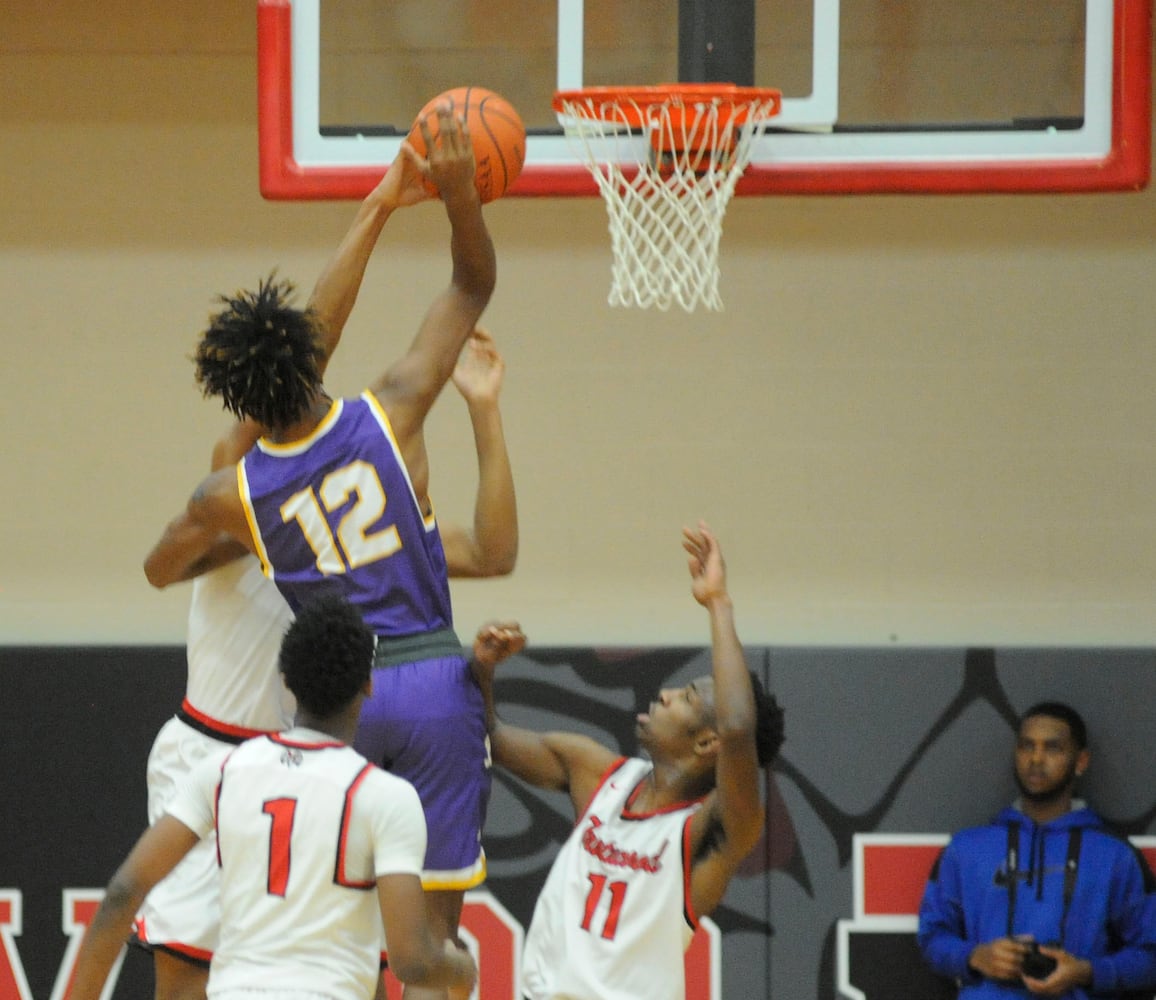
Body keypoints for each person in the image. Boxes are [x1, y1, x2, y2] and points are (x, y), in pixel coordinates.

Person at [139, 104, 499, 1000]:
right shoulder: (388, 414)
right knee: (423, 955)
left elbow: (156, 561)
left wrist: (224, 545)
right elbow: (469, 285)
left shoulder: (236, 495)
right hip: (383, 697)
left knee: (327, 952)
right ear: (310, 363)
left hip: (331, 724)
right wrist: (455, 201)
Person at [72, 594, 478, 1000]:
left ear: (285, 679)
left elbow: (124, 892)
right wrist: (461, 967)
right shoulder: (386, 797)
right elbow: (413, 961)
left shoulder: (223, 772)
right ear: (370, 684)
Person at [468, 522, 786, 1000]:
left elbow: (739, 728)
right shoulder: (597, 773)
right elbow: (485, 736)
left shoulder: (709, 831)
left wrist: (718, 602)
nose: (665, 693)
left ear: (706, 744)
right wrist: (483, 667)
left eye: (687, 697)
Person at [917, 701, 1156, 998]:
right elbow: (931, 937)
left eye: (1052, 748)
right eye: (1026, 746)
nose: (1036, 758)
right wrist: (975, 956)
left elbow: (1151, 955)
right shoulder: (966, 849)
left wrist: (1086, 972)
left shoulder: (1114, 856)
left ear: (1080, 761)